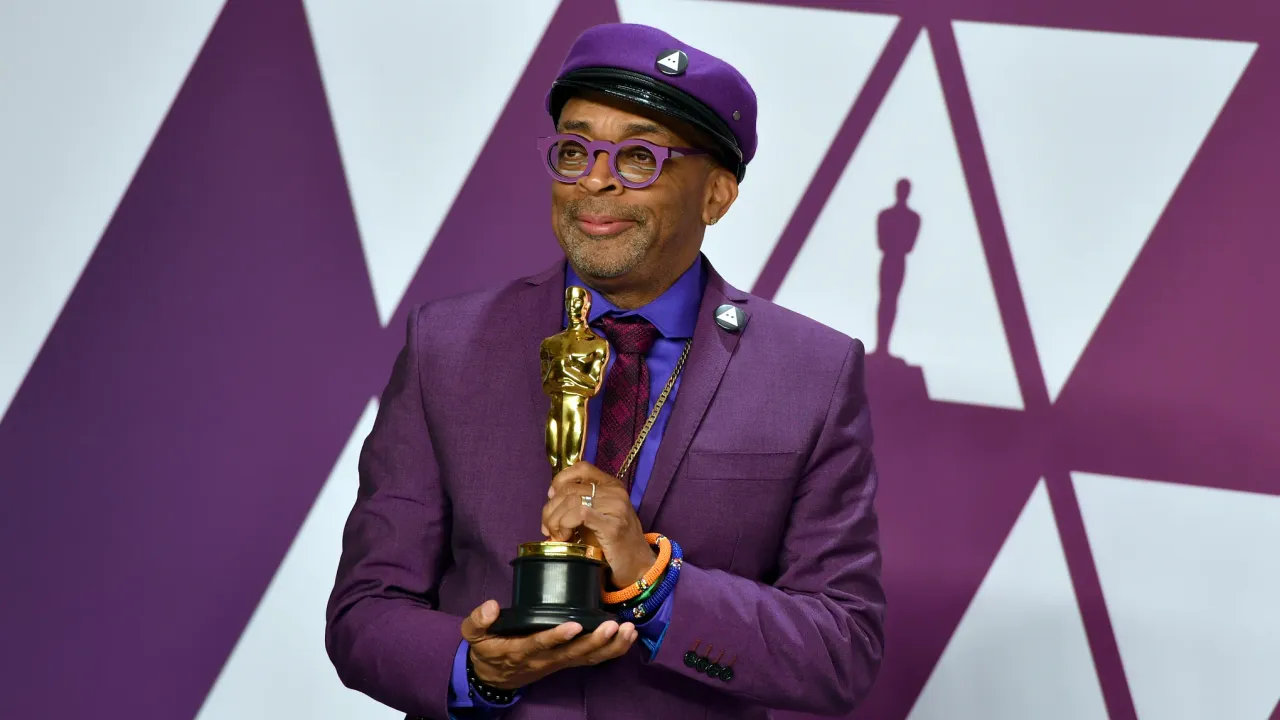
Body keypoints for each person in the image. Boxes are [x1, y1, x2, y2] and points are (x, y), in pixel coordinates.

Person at [325, 22, 886, 720]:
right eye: (574, 149)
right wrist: (475, 669)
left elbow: (842, 648)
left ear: (716, 195)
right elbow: (365, 611)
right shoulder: (448, 343)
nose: (594, 179)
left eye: (639, 157)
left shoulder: (810, 372)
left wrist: (656, 580)